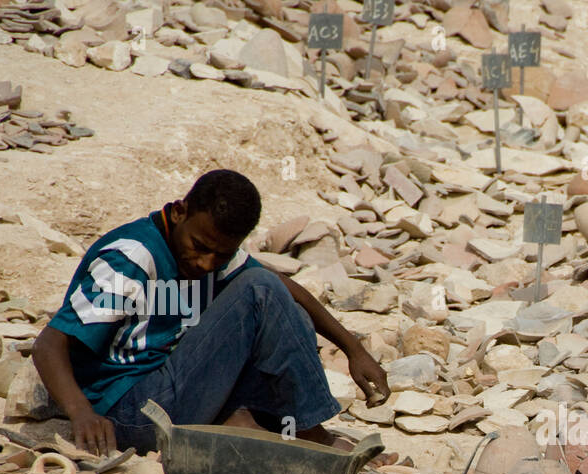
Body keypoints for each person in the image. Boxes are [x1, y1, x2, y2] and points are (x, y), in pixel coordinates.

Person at [32, 169, 388, 457]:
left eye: (220, 255)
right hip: (130, 414)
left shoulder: (211, 249)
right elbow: (47, 345)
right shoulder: (132, 258)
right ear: (179, 212)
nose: (206, 263)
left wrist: (352, 348)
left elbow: (282, 288)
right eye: (199, 248)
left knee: (275, 298)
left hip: (176, 390)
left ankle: (254, 427)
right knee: (259, 289)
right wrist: (81, 412)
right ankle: (313, 437)